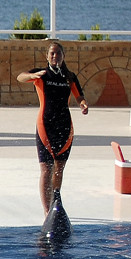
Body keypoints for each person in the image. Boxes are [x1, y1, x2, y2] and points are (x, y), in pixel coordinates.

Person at [17, 40, 88, 214]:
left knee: (59, 167)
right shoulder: (42, 74)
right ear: (47, 56)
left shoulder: (69, 76)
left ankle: (56, 198)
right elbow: (20, 76)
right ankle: (47, 211)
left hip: (64, 125)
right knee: (46, 169)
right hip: (45, 126)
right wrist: (32, 76)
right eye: (51, 53)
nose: (54, 56)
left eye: (58, 53)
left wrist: (83, 105)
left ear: (63, 56)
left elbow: (79, 96)